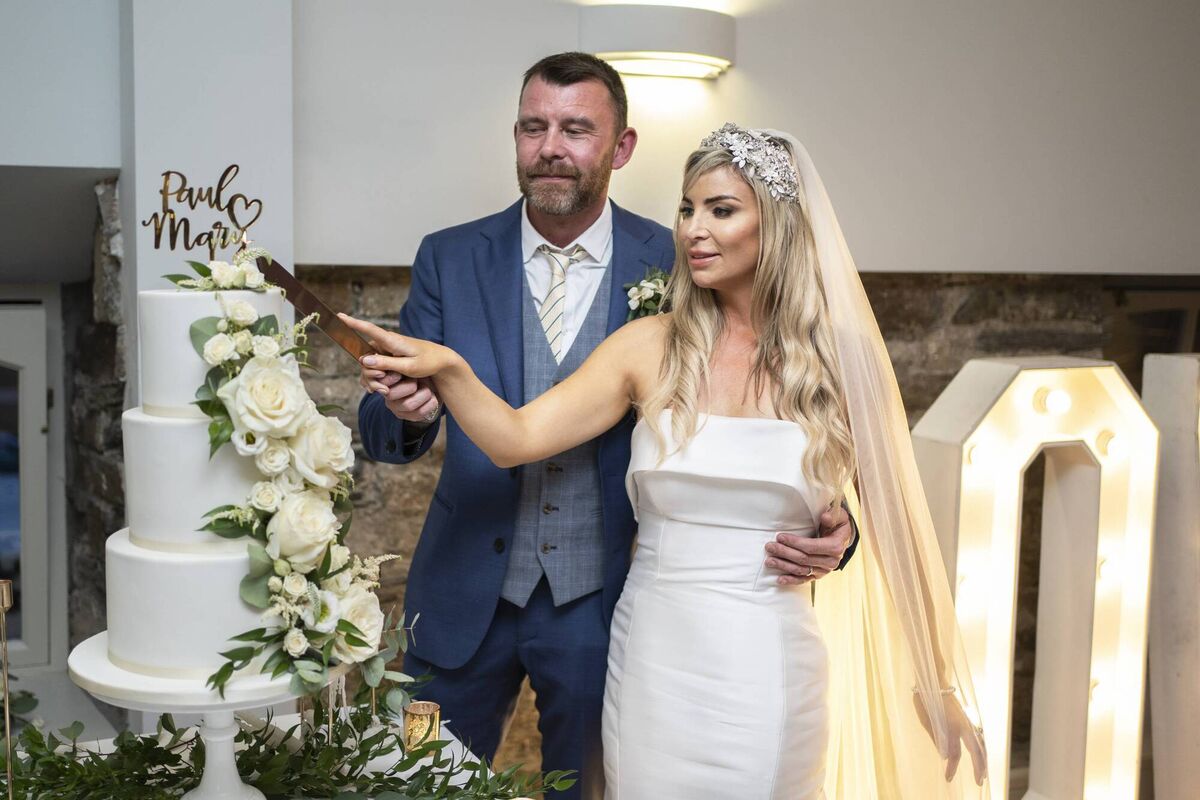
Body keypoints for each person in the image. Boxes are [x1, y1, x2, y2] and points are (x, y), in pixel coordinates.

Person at [345, 124, 988, 798]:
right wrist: (448, 368)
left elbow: (898, 534)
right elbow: (514, 437)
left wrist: (937, 684)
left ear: (777, 227)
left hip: (767, 662)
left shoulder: (840, 360)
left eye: (721, 210)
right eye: (687, 208)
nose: (693, 230)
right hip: (652, 661)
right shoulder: (650, 345)